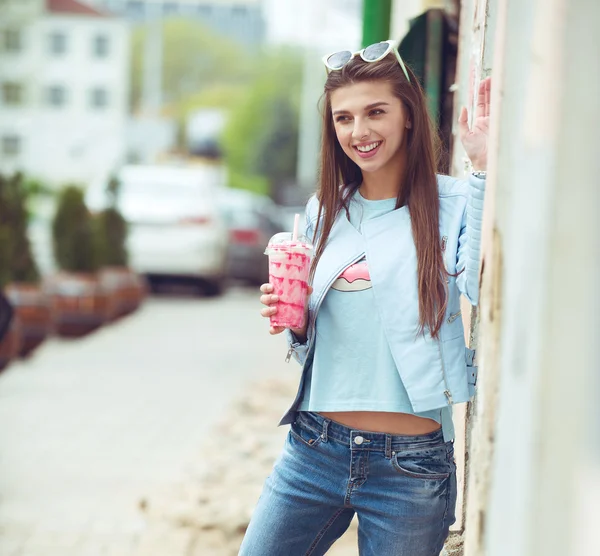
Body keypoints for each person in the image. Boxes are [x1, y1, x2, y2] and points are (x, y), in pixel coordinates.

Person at [240, 39, 491, 556]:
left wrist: (484, 168)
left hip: (410, 466)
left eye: (376, 112)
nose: (359, 132)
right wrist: (297, 318)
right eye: (343, 118)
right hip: (313, 449)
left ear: (408, 117)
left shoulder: (453, 202)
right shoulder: (324, 210)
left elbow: (478, 283)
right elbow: (317, 336)